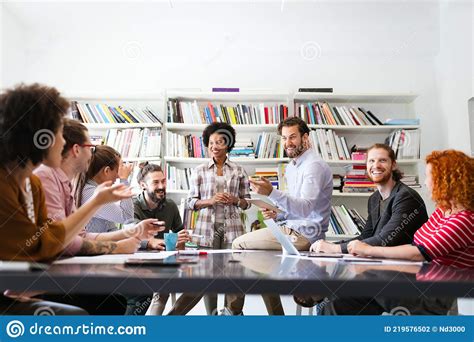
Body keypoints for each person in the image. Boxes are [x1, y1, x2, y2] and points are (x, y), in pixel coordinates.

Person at [0, 83, 132, 314]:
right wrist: (96, 203)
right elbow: (40, 246)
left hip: (16, 288)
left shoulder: (32, 185)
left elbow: (48, 246)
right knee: (82, 313)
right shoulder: (6, 185)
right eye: (59, 133)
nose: (63, 143)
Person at [325, 149, 473, 315]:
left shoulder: (465, 220)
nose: (425, 182)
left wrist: (368, 250)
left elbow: (419, 252)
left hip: (437, 296)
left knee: (368, 278)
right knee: (340, 304)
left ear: (446, 180)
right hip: (420, 281)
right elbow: (416, 244)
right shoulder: (442, 211)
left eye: (428, 176)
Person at [294, 143, 429, 307]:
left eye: (382, 161)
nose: (376, 166)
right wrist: (329, 246)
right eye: (371, 161)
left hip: (402, 277)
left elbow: (384, 240)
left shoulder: (406, 197)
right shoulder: (374, 198)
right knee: (327, 298)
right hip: (378, 271)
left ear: (393, 165)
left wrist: (335, 249)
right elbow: (366, 237)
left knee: (334, 302)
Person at [225, 116, 333, 315]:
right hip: (293, 227)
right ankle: (277, 318)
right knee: (263, 262)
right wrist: (278, 214)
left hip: (304, 234)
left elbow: (307, 209)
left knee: (238, 245)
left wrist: (272, 194)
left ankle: (232, 314)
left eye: (292, 137)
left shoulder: (313, 165)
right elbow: (295, 208)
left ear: (305, 138)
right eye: (284, 138)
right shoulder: (292, 167)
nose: (287, 143)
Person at [35, 119, 161, 257]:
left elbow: (80, 236)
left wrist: (132, 232)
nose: (91, 154)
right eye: (91, 147)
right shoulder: (46, 177)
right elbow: (58, 239)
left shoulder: (66, 185)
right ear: (76, 150)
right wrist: (115, 247)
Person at [186, 122, 251, 315]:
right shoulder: (199, 170)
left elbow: (247, 202)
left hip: (233, 232)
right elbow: (191, 202)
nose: (214, 146)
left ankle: (232, 316)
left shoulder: (239, 170)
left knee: (235, 276)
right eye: (211, 142)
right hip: (206, 232)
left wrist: (235, 200)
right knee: (209, 277)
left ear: (228, 145)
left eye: (220, 142)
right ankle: (212, 316)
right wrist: (210, 200)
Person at [128, 162, 192, 315]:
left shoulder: (170, 205)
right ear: (143, 185)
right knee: (161, 292)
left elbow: (179, 237)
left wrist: (180, 241)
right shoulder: (131, 206)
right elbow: (129, 235)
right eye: (156, 182)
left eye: (163, 181)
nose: (162, 186)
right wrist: (150, 242)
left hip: (165, 261)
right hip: (138, 263)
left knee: (203, 282)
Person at [76, 145, 135, 233]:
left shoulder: (92, 189)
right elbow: (127, 218)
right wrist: (124, 180)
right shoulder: (91, 193)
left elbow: (111, 230)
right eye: (117, 171)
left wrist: (146, 242)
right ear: (107, 171)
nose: (118, 176)